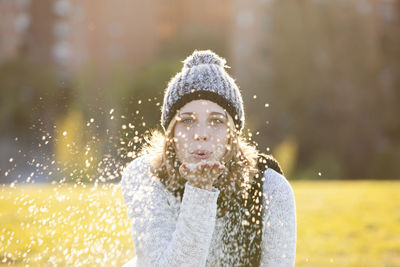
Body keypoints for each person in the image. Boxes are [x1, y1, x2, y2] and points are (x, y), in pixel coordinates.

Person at [121, 49, 296, 266]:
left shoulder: (270, 188)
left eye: (216, 121)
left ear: (232, 133)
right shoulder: (145, 176)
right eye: (187, 120)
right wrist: (199, 192)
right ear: (172, 132)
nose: (201, 133)